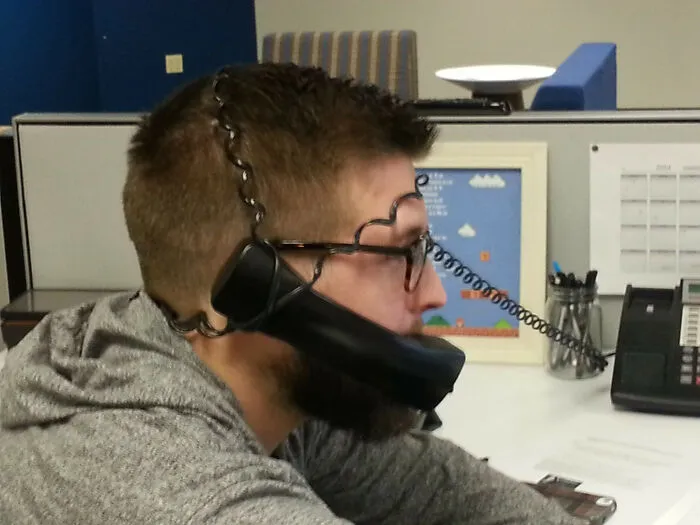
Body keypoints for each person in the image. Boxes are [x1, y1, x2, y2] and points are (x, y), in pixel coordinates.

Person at [0, 63, 583, 524]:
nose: (434, 293)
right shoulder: (177, 493)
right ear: (253, 287)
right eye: (401, 253)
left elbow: (443, 491)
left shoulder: (252, 389)